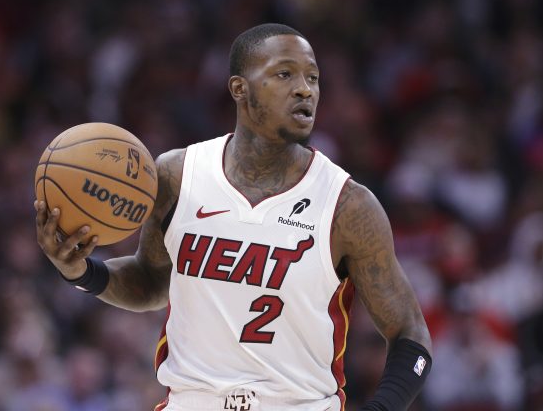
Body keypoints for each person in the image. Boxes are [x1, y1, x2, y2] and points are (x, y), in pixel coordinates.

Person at [35, 23, 432, 411]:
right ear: (239, 89)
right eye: (284, 74)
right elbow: (151, 284)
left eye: (313, 77)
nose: (304, 89)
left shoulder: (347, 206)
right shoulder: (177, 175)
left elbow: (411, 334)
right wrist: (81, 272)